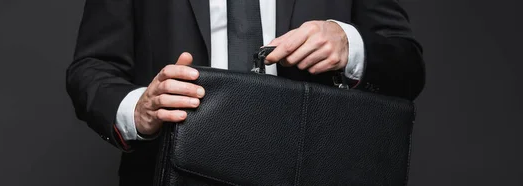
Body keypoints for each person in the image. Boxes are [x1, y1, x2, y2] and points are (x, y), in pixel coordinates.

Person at [66, 0, 425, 184]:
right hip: (174, 175)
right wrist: (137, 110)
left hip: (314, 170)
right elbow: (92, 67)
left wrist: (350, 45)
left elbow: (408, 65)